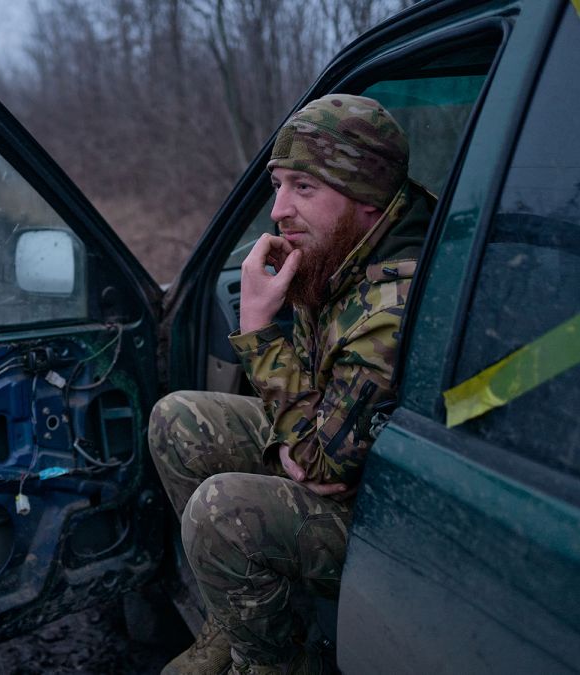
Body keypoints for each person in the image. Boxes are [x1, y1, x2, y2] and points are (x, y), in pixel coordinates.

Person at [148, 93, 434, 674]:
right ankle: (234, 618)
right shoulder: (337, 250)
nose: (278, 210)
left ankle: (271, 663)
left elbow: (323, 469)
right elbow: (306, 415)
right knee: (177, 418)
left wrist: (256, 327)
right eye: (278, 185)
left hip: (386, 518)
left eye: (304, 187)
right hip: (326, 440)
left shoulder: (390, 303)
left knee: (220, 512)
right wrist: (292, 442)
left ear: (369, 202)